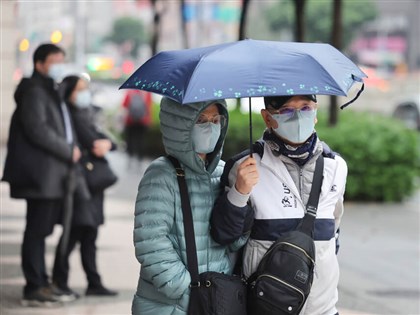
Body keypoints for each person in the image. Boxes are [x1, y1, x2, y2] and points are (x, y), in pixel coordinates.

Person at [210, 95, 348, 315]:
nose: (297, 117)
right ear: (267, 118)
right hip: (267, 307)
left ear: (315, 114)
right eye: (286, 111)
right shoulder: (245, 166)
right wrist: (239, 192)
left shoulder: (336, 167)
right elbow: (224, 235)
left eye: (305, 108)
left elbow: (334, 233)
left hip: (323, 309)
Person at [131, 97, 247, 315]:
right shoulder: (161, 174)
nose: (210, 127)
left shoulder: (224, 172)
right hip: (171, 305)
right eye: (201, 120)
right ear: (181, 125)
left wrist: (242, 196)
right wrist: (184, 287)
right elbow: (150, 241)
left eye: (215, 120)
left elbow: (231, 241)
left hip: (214, 300)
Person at [2, 43, 81, 306]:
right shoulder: (35, 91)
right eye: (55, 60)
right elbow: (38, 129)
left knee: (41, 229)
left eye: (62, 59)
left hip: (49, 173)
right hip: (40, 174)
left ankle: (42, 283)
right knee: (36, 230)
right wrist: (68, 150)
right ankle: (34, 286)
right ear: (39, 64)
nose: (60, 65)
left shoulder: (48, 90)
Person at [51, 75, 118, 298]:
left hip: (92, 183)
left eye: (85, 89)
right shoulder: (69, 115)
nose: (84, 93)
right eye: (79, 89)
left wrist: (108, 143)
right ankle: (59, 280)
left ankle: (93, 281)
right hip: (80, 182)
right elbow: (93, 140)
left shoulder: (84, 113)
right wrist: (103, 143)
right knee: (75, 232)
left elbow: (106, 141)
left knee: (89, 233)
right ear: (69, 92)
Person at [121, 89, 152, 160]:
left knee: (130, 139)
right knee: (141, 139)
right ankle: (140, 157)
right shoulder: (147, 92)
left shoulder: (130, 91)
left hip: (130, 120)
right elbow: (149, 107)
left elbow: (124, 105)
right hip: (143, 120)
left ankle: (130, 157)